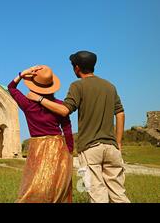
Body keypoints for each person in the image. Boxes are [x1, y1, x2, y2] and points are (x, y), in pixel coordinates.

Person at [26, 51, 130, 203]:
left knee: (97, 194)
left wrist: (39, 98)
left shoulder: (78, 86)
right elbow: (120, 113)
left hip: (90, 148)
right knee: (118, 194)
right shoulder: (109, 86)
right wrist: (118, 142)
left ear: (77, 68)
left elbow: (64, 110)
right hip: (112, 148)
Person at [8, 65, 73, 203]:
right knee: (57, 183)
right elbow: (67, 128)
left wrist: (22, 74)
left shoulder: (27, 104)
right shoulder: (59, 105)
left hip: (37, 147)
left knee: (35, 182)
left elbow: (11, 88)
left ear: (33, 85)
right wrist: (70, 151)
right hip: (58, 147)